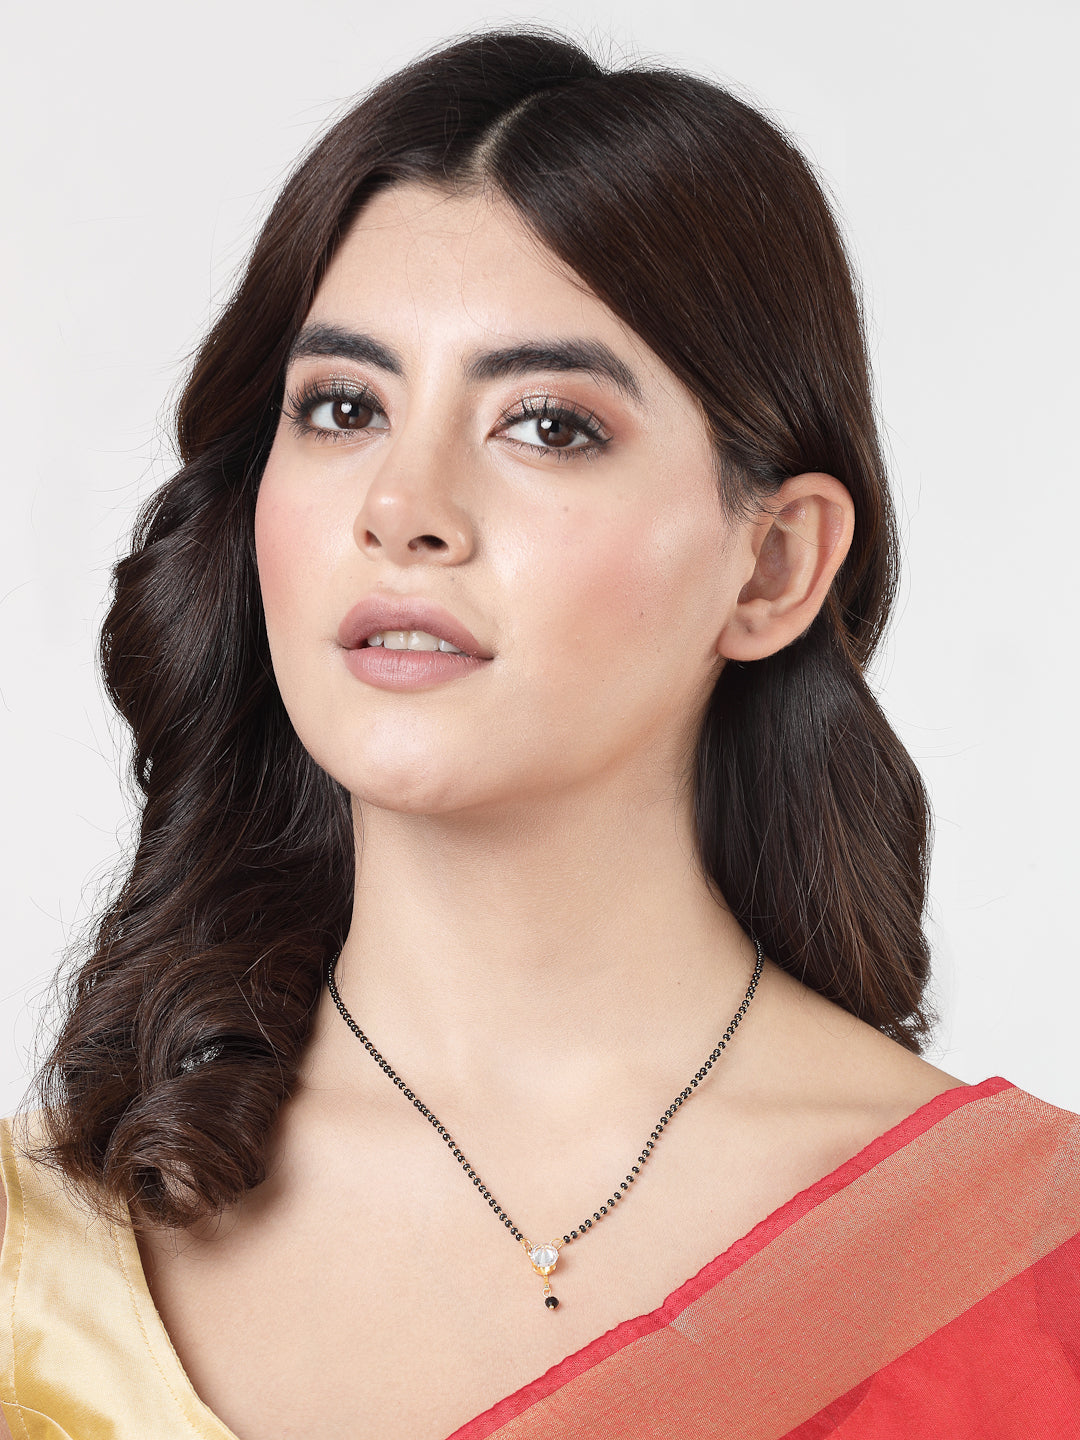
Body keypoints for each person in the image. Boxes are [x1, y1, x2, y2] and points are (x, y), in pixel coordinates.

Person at [1, 27, 1077, 1440]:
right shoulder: (35, 1268)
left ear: (773, 566)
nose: (403, 508)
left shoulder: (1031, 1280)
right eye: (342, 407)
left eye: (549, 425)